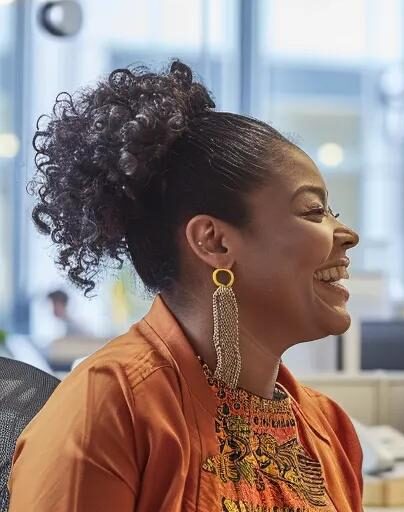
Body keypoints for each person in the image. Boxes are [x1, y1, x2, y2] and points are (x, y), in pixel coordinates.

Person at [10, 61, 363, 511]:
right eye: (314, 211)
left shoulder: (327, 428)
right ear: (213, 241)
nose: (346, 233)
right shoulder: (109, 407)